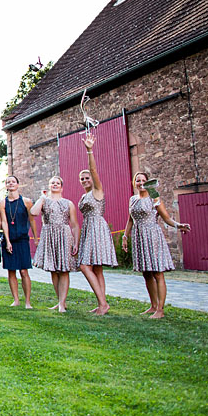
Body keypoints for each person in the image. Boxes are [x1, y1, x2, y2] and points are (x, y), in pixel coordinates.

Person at [121, 171, 190, 319]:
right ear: (134, 183)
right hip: (139, 237)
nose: (140, 183)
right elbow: (131, 220)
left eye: (143, 180)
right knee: (146, 273)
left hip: (153, 236)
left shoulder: (154, 198)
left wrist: (179, 225)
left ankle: (160, 309)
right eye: (137, 181)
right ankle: (153, 306)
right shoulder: (132, 199)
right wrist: (125, 236)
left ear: (148, 182)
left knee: (158, 273)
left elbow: (166, 218)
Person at [76, 134, 118, 315]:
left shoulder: (97, 191)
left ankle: (103, 303)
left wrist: (89, 151)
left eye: (87, 178)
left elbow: (93, 171)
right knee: (97, 268)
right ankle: (102, 303)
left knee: (85, 266)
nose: (85, 180)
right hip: (87, 228)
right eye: (82, 179)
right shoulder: (83, 196)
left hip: (97, 227)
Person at [30, 176, 79, 313]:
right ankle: (59, 301)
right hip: (49, 235)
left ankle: (62, 303)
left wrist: (76, 242)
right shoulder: (45, 201)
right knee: (53, 270)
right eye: (52, 183)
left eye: (57, 183)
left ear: (62, 187)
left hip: (64, 235)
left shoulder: (68, 203)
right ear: (49, 186)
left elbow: (74, 225)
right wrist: (42, 197)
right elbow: (33, 213)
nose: (55, 185)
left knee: (64, 270)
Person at [0, 176, 36, 308]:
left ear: (18, 185)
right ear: (6, 186)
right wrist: (7, 241)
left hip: (22, 240)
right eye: (8, 182)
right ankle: (16, 300)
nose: (11, 184)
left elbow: (31, 220)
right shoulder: (2, 203)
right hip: (10, 240)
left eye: (13, 182)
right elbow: (4, 222)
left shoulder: (26, 202)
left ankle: (27, 302)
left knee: (24, 271)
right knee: (11, 271)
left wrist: (35, 238)